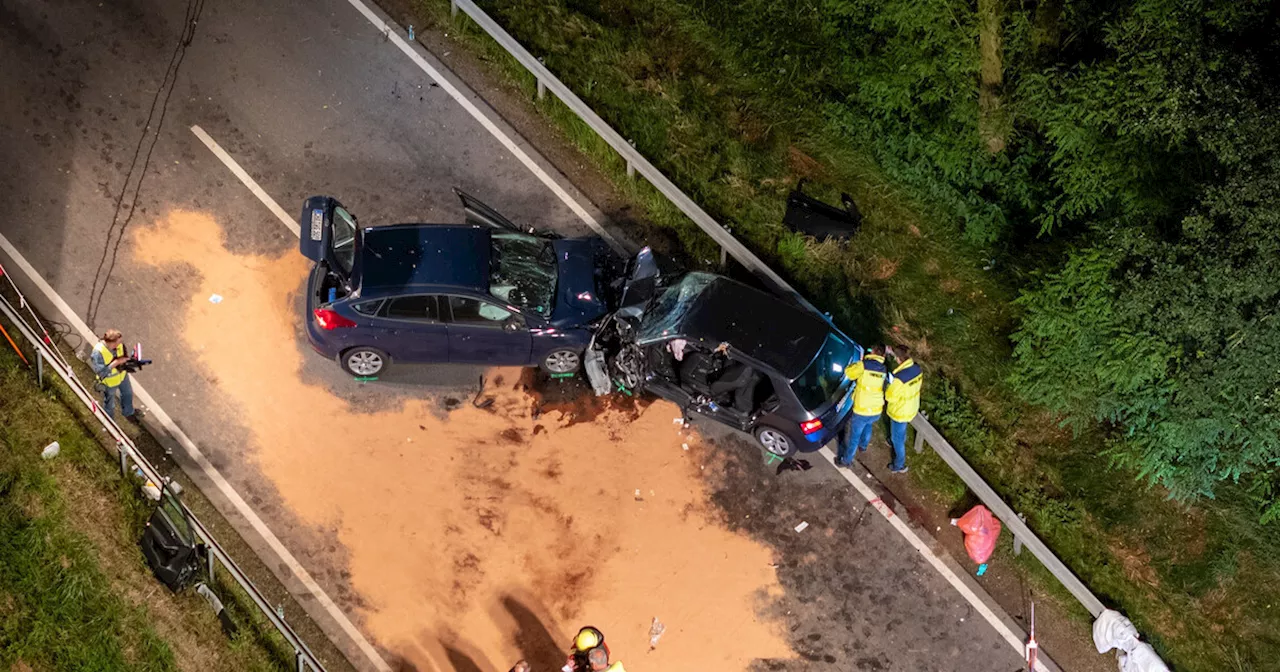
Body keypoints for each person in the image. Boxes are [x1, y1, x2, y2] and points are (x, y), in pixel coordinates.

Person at [837, 345, 888, 467]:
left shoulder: (864, 365)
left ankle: (846, 460)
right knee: (868, 425)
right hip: (876, 409)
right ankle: (863, 446)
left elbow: (849, 373)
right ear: (883, 355)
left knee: (854, 437)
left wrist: (859, 362)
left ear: (873, 352)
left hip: (862, 409)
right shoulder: (884, 368)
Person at [884, 345, 923, 474]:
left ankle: (899, 465)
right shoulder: (917, 369)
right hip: (911, 406)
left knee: (898, 440)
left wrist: (890, 385)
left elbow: (890, 397)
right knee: (900, 431)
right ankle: (894, 440)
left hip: (899, 411)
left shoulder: (899, 378)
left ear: (899, 359)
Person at [90, 328, 141, 424]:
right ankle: (110, 422)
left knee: (127, 394)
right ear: (111, 342)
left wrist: (130, 360)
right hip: (110, 382)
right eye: (118, 342)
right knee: (109, 403)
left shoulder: (119, 345)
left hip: (122, 376)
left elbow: (123, 355)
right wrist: (115, 363)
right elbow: (101, 372)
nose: (120, 344)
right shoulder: (98, 353)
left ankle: (128, 412)